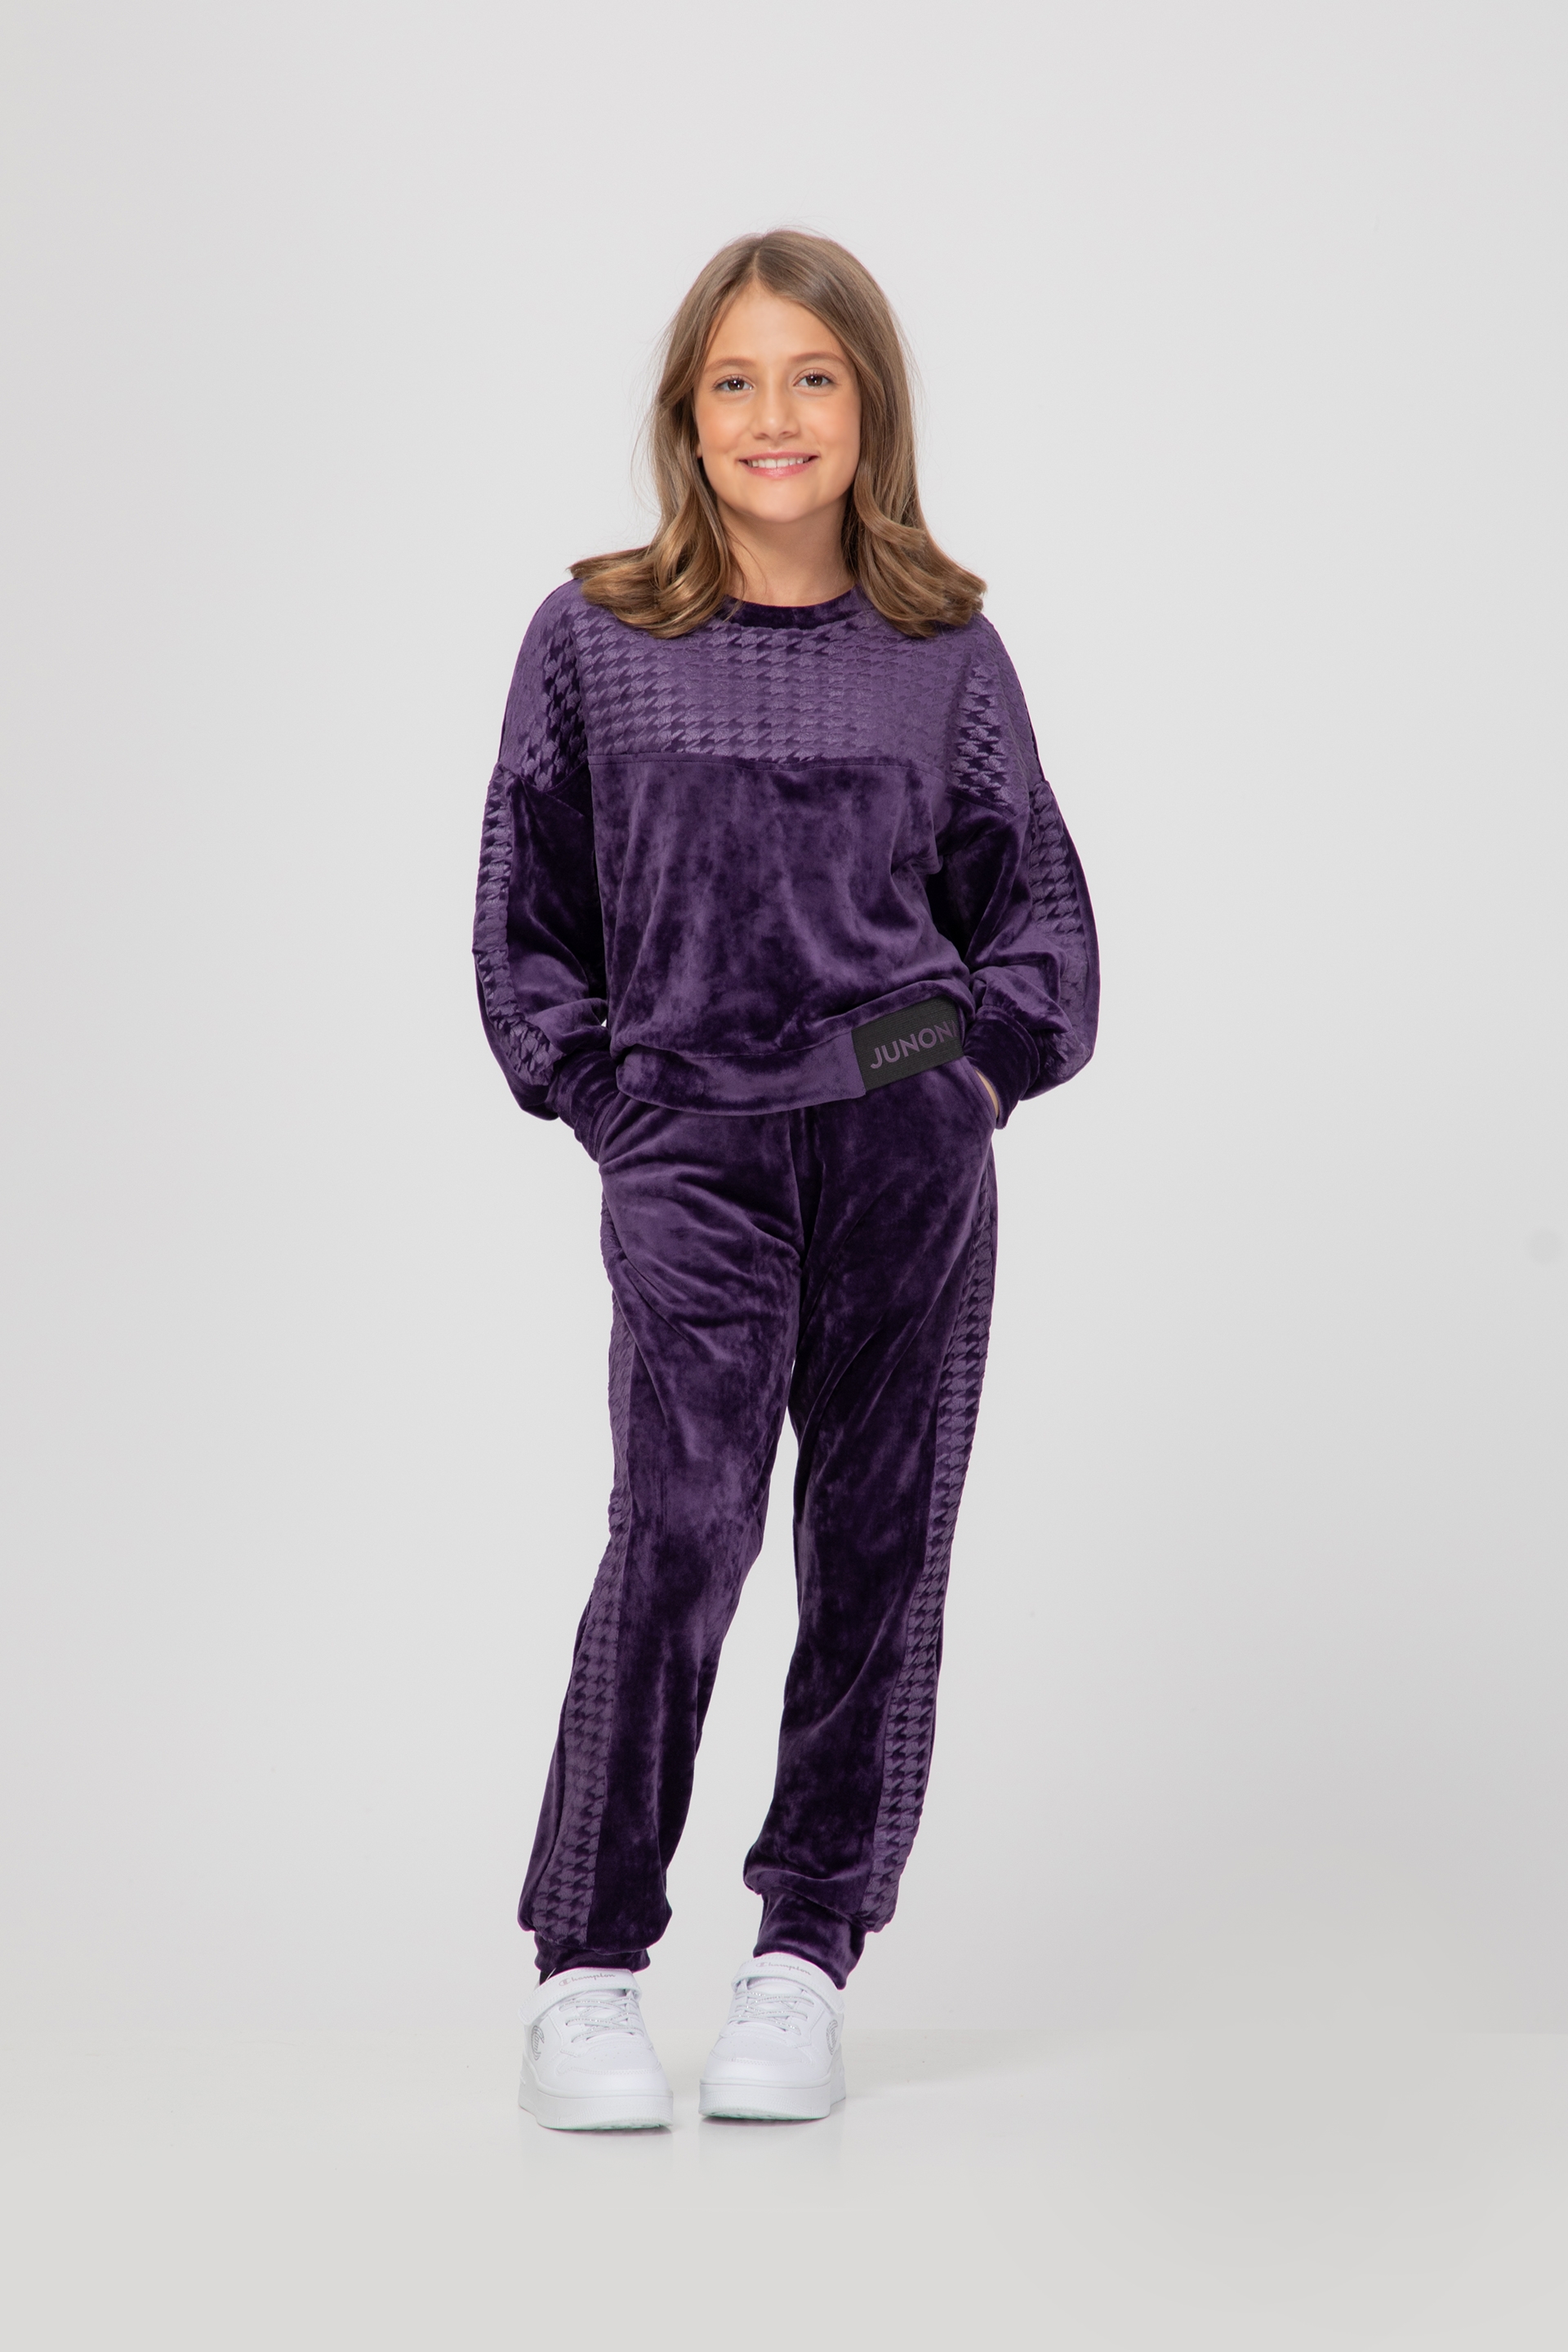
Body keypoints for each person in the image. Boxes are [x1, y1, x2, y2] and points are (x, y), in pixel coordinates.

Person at [474, 229, 1098, 2131]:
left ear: (868, 407)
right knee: (680, 1529)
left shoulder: (944, 653)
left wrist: (934, 1085)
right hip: (690, 1152)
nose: (774, 415)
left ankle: (804, 1956)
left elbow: (1034, 938)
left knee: (878, 1546)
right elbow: (528, 919)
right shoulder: (594, 637)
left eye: (812, 377)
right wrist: (618, 1100)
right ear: (687, 413)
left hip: (897, 1151)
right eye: (735, 380)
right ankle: (585, 1970)